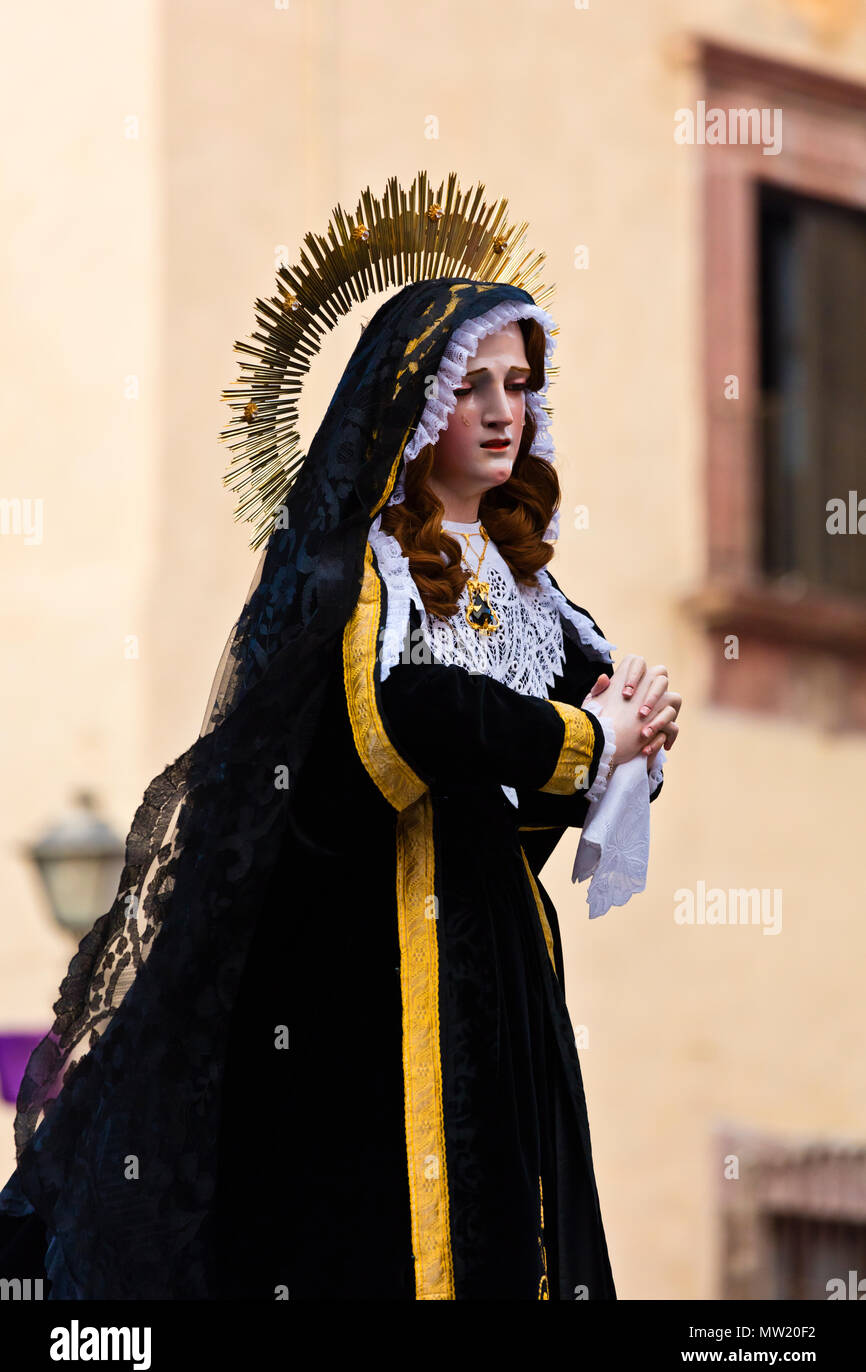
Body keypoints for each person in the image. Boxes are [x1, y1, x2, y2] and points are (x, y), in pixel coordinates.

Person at [0, 211, 680, 1299]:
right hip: (357, 968)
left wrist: (621, 744)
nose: (504, 410)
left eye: (519, 384)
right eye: (473, 387)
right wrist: (585, 737)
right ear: (413, 403)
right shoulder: (352, 577)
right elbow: (400, 724)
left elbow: (508, 821)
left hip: (492, 964)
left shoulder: (541, 606)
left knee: (512, 1224)